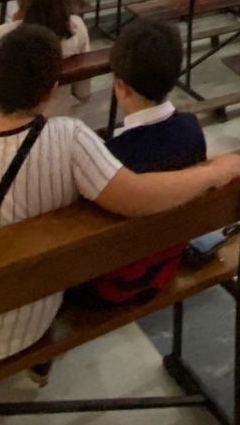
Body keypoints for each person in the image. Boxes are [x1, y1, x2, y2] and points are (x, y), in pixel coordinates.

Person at [0, 24, 240, 376]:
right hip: (38, 317)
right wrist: (215, 171)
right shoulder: (73, 139)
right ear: (50, 92)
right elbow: (136, 194)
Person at [69, 20, 209, 307]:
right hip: (169, 255)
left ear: (120, 87)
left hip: (116, 277)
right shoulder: (192, 129)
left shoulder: (110, 154)